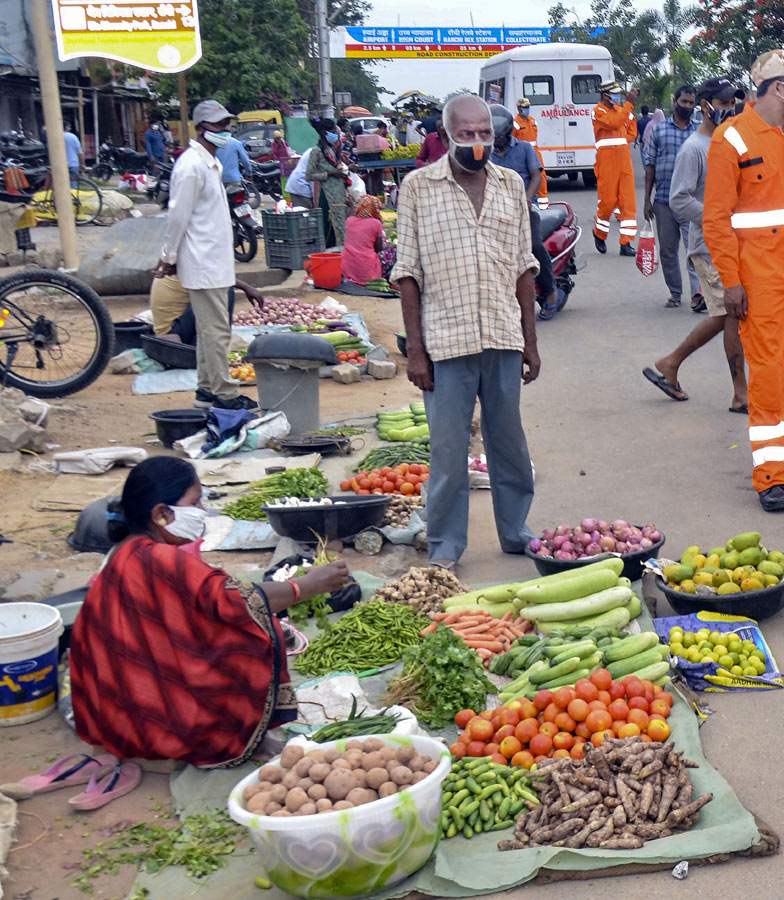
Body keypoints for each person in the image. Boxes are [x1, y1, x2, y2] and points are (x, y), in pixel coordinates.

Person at [71, 457, 350, 767]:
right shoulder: (161, 559)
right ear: (161, 514)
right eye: (195, 501)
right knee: (253, 635)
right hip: (146, 710)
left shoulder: (126, 551)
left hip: (111, 709)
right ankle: (231, 736)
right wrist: (307, 585)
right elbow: (238, 601)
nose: (203, 510)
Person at [390, 94, 540, 569]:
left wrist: (530, 341)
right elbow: (407, 272)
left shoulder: (511, 184)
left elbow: (524, 265)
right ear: (446, 134)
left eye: (484, 134)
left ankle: (516, 531)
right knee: (449, 449)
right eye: (467, 134)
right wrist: (415, 350)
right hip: (445, 340)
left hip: (501, 333)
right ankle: (445, 545)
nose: (476, 142)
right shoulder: (417, 188)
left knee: (509, 442)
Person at [704, 50, 784, 513]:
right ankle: (770, 475)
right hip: (759, 275)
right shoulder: (732, 139)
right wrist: (731, 281)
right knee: (766, 372)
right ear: (778, 86)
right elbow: (716, 219)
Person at [642, 77, 748, 412]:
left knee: (730, 315)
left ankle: (671, 364)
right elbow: (678, 199)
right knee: (731, 315)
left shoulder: (728, 143)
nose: (730, 110)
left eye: (733, 104)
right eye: (724, 104)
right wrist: (717, 218)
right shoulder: (694, 149)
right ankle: (739, 393)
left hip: (731, 243)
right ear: (706, 106)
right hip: (708, 244)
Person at [154, 99, 256, 412]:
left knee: (208, 329)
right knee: (216, 333)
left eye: (227, 125)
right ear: (200, 129)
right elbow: (177, 217)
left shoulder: (210, 163)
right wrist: (168, 256)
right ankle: (225, 394)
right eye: (218, 125)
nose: (225, 130)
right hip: (204, 263)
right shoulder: (191, 166)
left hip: (213, 261)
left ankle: (206, 390)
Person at [490, 105, 558, 314]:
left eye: (500, 136)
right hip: (496, 211)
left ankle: (550, 290)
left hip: (526, 208)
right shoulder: (485, 154)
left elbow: (536, 175)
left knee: (533, 246)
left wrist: (527, 197)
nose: (496, 141)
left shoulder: (525, 148)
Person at [643, 84, 701, 310]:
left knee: (694, 250)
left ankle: (698, 294)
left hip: (690, 202)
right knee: (667, 251)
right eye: (684, 102)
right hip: (664, 201)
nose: (687, 106)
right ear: (675, 101)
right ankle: (675, 293)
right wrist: (647, 200)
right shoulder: (659, 130)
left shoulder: (698, 131)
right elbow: (650, 166)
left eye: (691, 102)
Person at [592, 80, 640, 256]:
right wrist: (629, 104)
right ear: (605, 95)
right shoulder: (598, 111)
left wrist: (622, 142)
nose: (617, 97)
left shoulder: (621, 110)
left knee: (628, 203)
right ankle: (599, 233)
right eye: (614, 93)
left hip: (624, 160)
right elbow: (613, 123)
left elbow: (631, 129)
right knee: (607, 202)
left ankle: (626, 243)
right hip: (607, 162)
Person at [150, 274, 263, 341]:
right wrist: (247, 288)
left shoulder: (177, 263)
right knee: (225, 291)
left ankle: (216, 339)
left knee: (213, 292)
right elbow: (218, 278)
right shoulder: (188, 267)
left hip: (169, 330)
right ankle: (219, 340)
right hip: (174, 334)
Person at [307, 119, 352, 247]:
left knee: (343, 228)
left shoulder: (331, 149)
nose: (335, 135)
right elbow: (309, 175)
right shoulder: (316, 151)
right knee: (336, 229)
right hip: (328, 196)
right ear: (323, 133)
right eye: (333, 132)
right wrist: (330, 174)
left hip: (340, 195)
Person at [341, 195, 385, 286]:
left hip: (347, 268)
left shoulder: (349, 220)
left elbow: (352, 215)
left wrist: (352, 207)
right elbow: (379, 249)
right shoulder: (376, 223)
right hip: (366, 270)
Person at [514, 98, 549, 209]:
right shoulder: (515, 123)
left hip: (535, 152)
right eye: (525, 108)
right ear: (519, 109)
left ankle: (544, 206)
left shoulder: (533, 121)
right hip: (522, 153)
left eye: (528, 107)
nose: (527, 109)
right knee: (526, 179)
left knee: (541, 177)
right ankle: (530, 204)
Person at [63, 123, 82, 188]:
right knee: (73, 184)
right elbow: (79, 152)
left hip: (62, 165)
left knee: (62, 184)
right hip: (74, 164)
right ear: (66, 127)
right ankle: (73, 197)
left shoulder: (56, 137)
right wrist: (82, 164)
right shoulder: (73, 137)